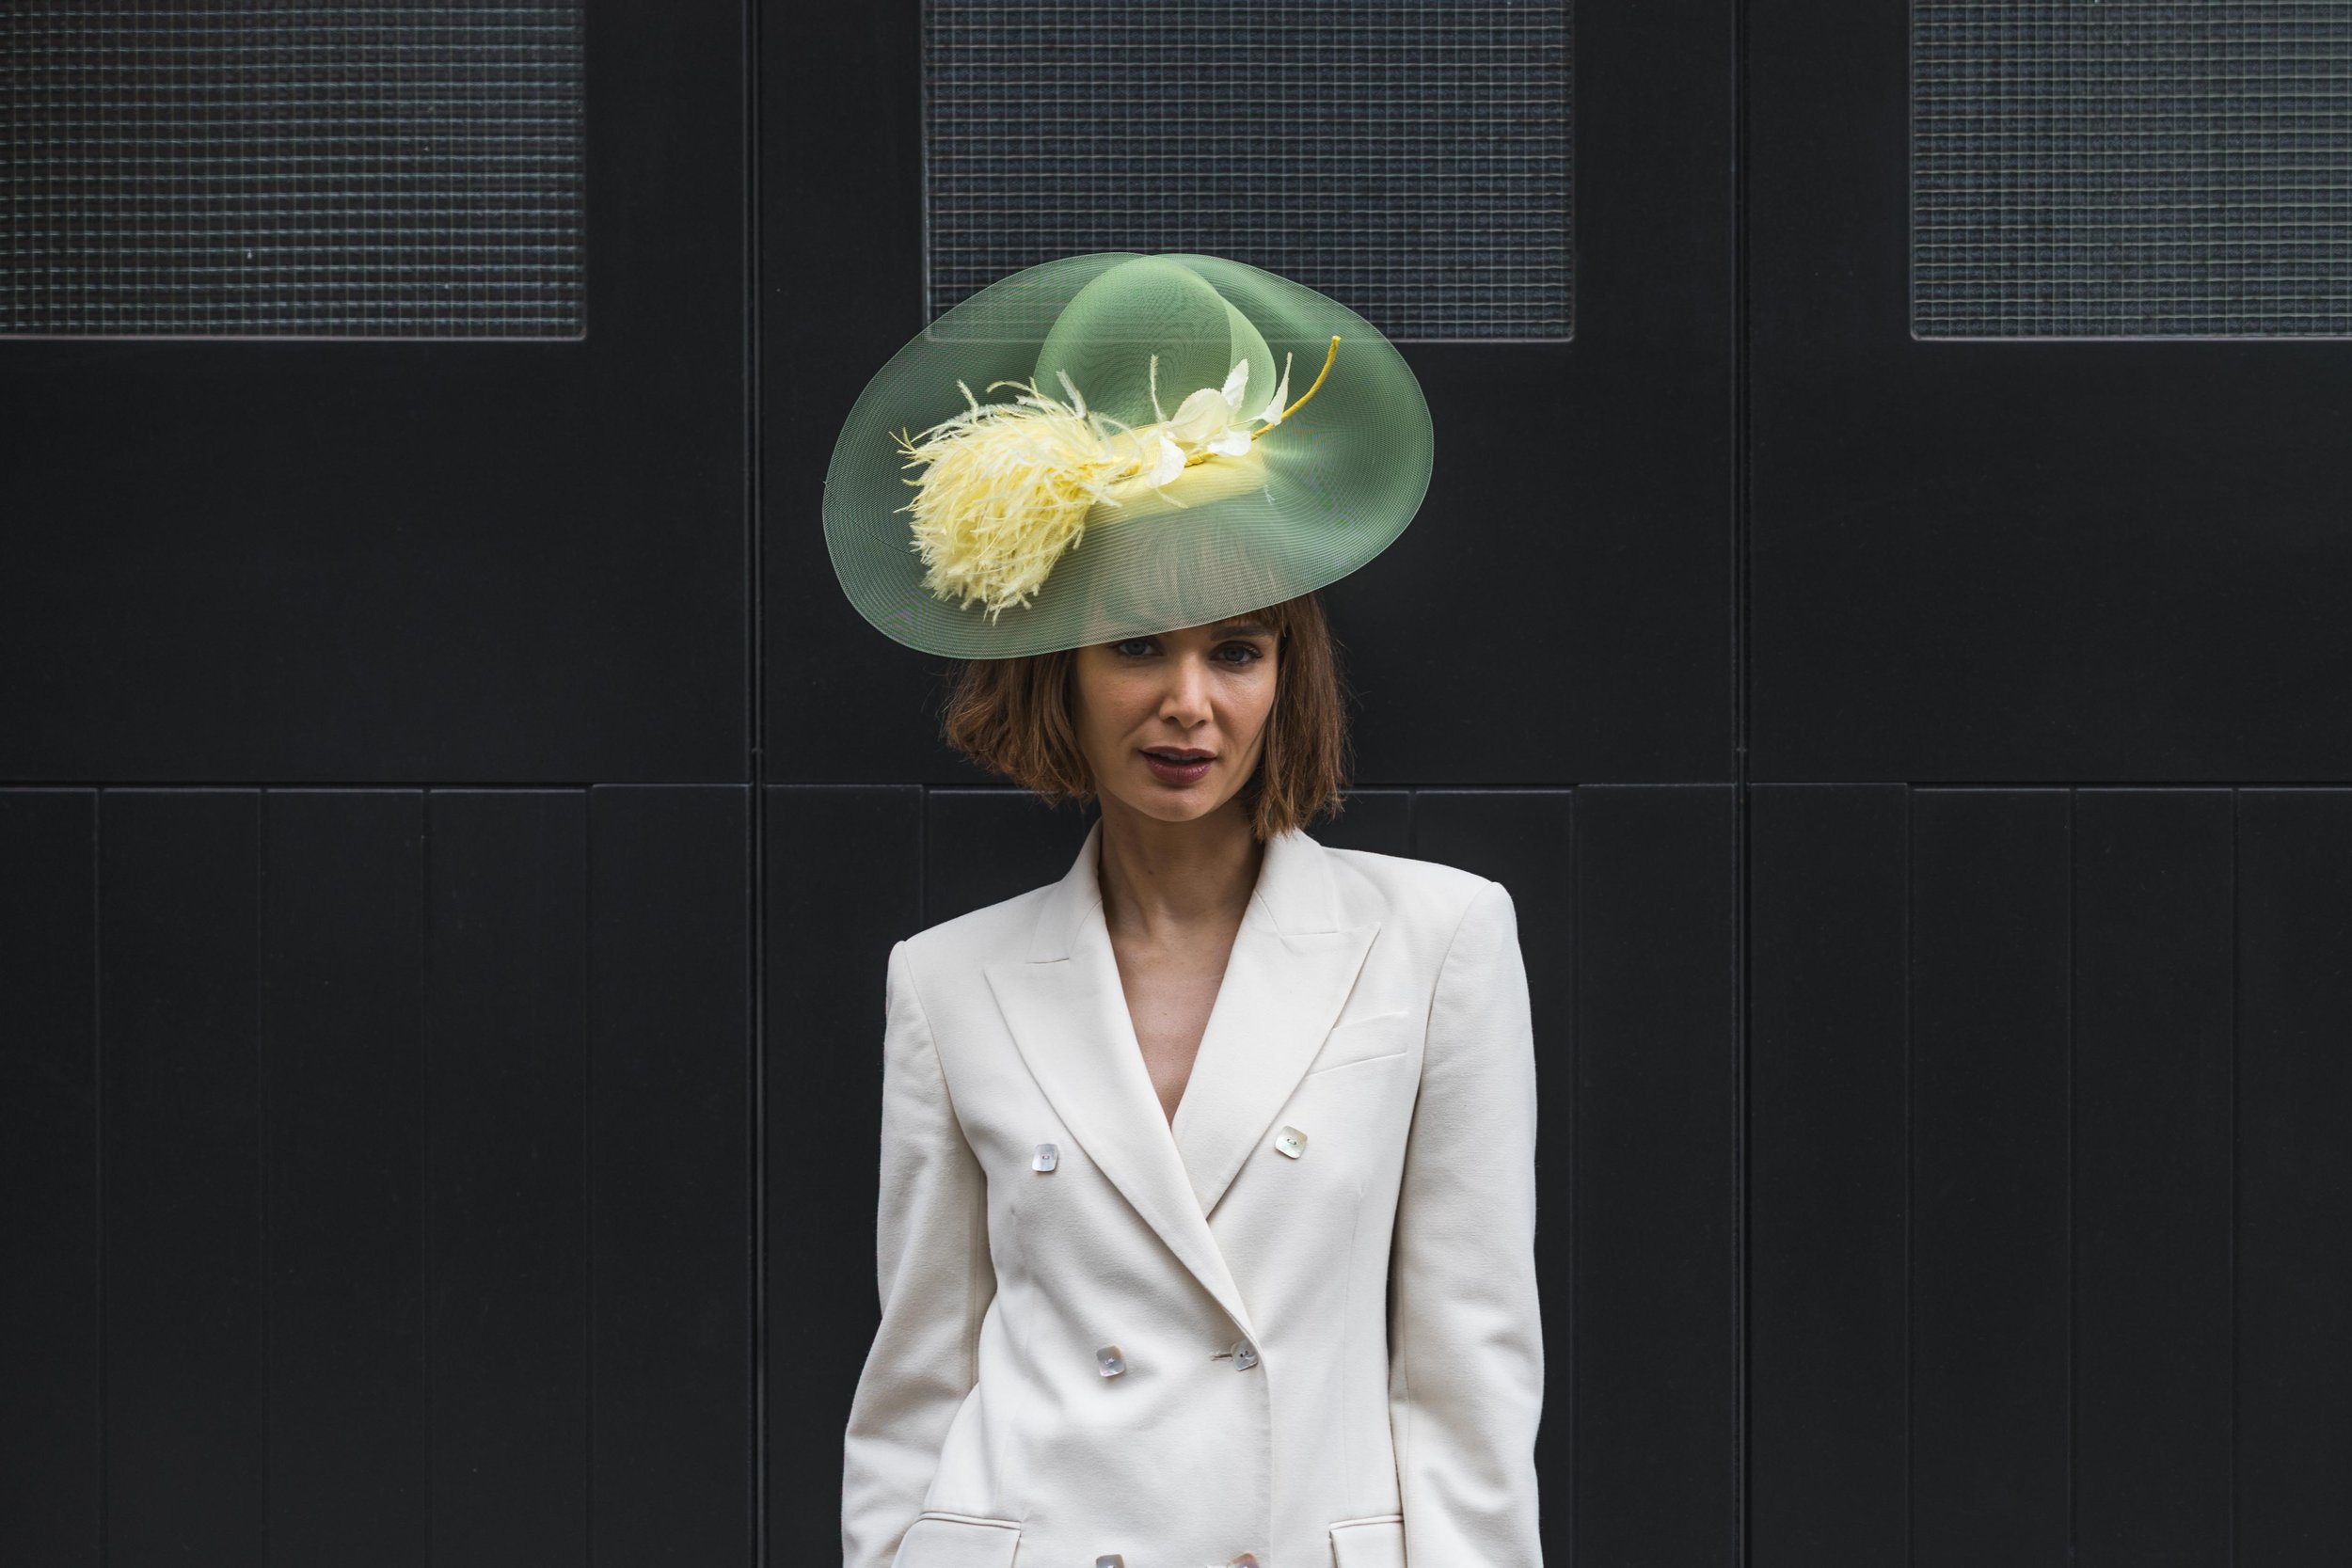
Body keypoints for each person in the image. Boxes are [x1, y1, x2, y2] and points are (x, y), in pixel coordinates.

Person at [823, 253, 1543, 1568]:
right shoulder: (947, 980)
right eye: (1137, 644)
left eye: (1236, 649)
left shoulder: (1438, 941)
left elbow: (1470, 1375)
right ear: (1063, 671)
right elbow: (916, 1382)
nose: (1189, 705)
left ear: (1287, 674)